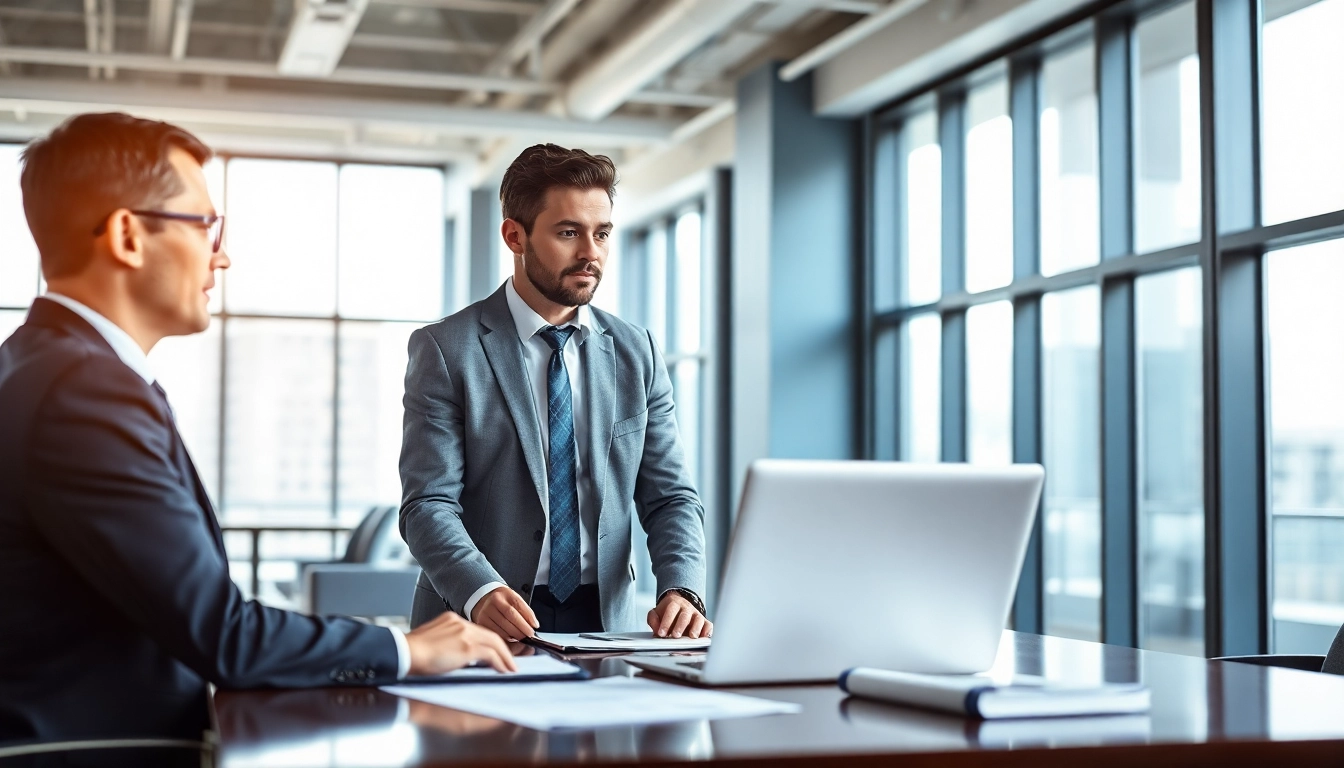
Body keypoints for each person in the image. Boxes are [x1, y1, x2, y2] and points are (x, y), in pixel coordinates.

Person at [0, 113, 513, 745]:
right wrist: (408, 650)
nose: (222, 255)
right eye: (204, 225)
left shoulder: (42, 367)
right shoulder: (82, 393)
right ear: (128, 236)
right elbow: (223, 635)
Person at [401, 144, 711, 641]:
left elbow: (670, 496)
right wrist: (479, 590)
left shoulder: (638, 351)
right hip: (479, 621)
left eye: (602, 234)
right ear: (514, 235)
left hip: (607, 625)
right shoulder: (446, 350)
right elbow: (428, 504)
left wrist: (682, 588)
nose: (591, 253)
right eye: (568, 233)